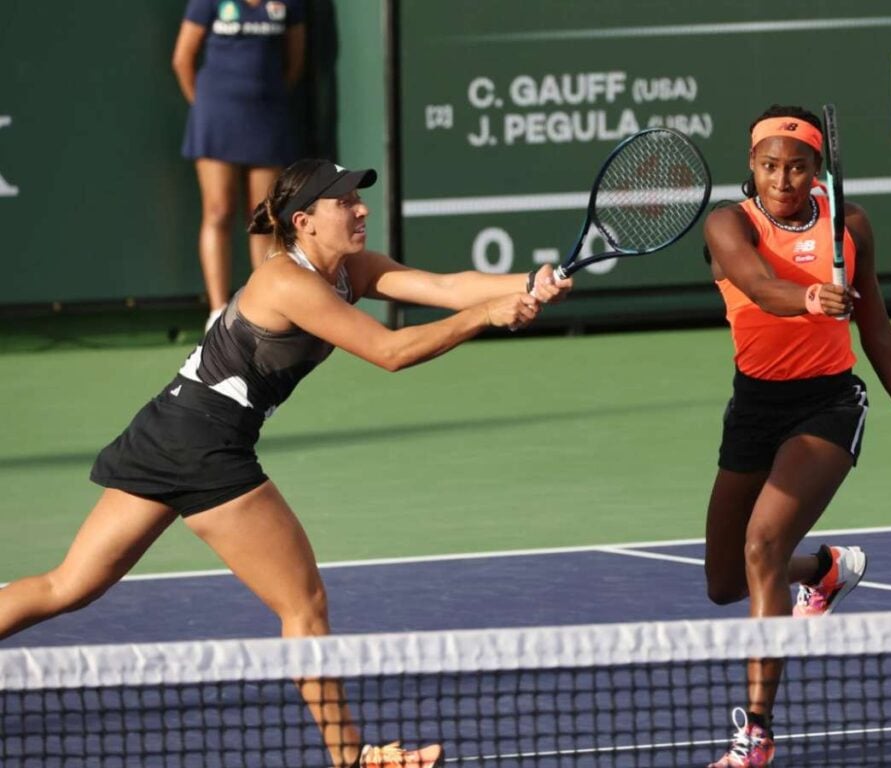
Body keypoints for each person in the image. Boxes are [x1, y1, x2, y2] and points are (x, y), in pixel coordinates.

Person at [0, 159, 572, 768]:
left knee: (69, 586)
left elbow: (445, 287)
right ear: (305, 222)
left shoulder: (352, 270)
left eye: (358, 199)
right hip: (205, 448)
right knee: (303, 606)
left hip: (162, 431)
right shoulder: (285, 283)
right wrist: (486, 316)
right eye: (345, 203)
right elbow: (390, 351)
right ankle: (352, 761)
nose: (361, 210)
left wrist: (531, 280)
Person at [701, 105, 891, 768]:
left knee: (762, 543)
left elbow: (878, 330)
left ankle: (756, 735)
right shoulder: (728, 223)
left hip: (827, 407)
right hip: (752, 409)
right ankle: (825, 569)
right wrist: (805, 299)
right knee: (723, 581)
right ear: (752, 166)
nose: (782, 179)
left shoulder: (849, 227)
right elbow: (754, 283)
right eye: (769, 165)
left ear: (816, 169)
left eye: (797, 166)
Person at [172, 0, 307, 331]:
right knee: (218, 210)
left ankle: (265, 309)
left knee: (264, 216)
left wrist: (264, 98)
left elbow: (294, 61)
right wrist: (207, 106)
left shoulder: (289, 3)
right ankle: (217, 311)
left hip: (266, 116)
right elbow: (182, 59)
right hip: (216, 117)